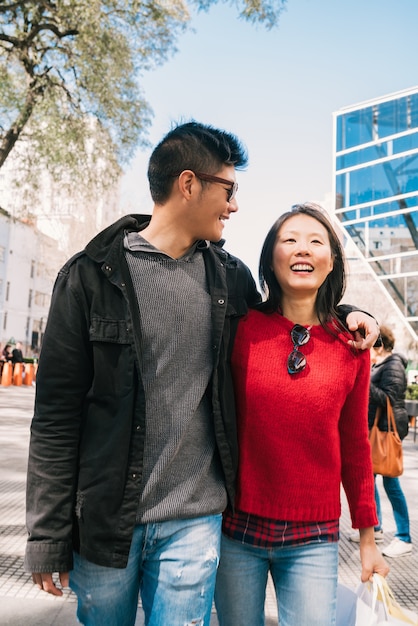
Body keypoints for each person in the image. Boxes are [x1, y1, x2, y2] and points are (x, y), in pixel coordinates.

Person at [24, 124, 380, 626]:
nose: (233, 205)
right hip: (106, 519)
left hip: (197, 521)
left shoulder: (227, 278)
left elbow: (295, 314)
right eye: (228, 190)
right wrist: (47, 535)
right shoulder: (87, 278)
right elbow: (55, 417)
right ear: (189, 184)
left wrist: (351, 312)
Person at [214, 203, 389, 626]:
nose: (302, 250)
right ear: (270, 260)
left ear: (332, 262)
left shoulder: (352, 346)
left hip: (315, 535)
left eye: (316, 242)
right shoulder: (239, 329)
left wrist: (368, 539)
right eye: (289, 240)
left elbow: (355, 448)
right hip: (236, 528)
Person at [369, 326, 411, 558]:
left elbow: (388, 399)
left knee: (391, 483)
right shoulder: (381, 365)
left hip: (387, 431)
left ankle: (404, 537)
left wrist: (364, 382)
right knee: (370, 478)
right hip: (378, 430)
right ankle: (375, 528)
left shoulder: (393, 364)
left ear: (380, 345)